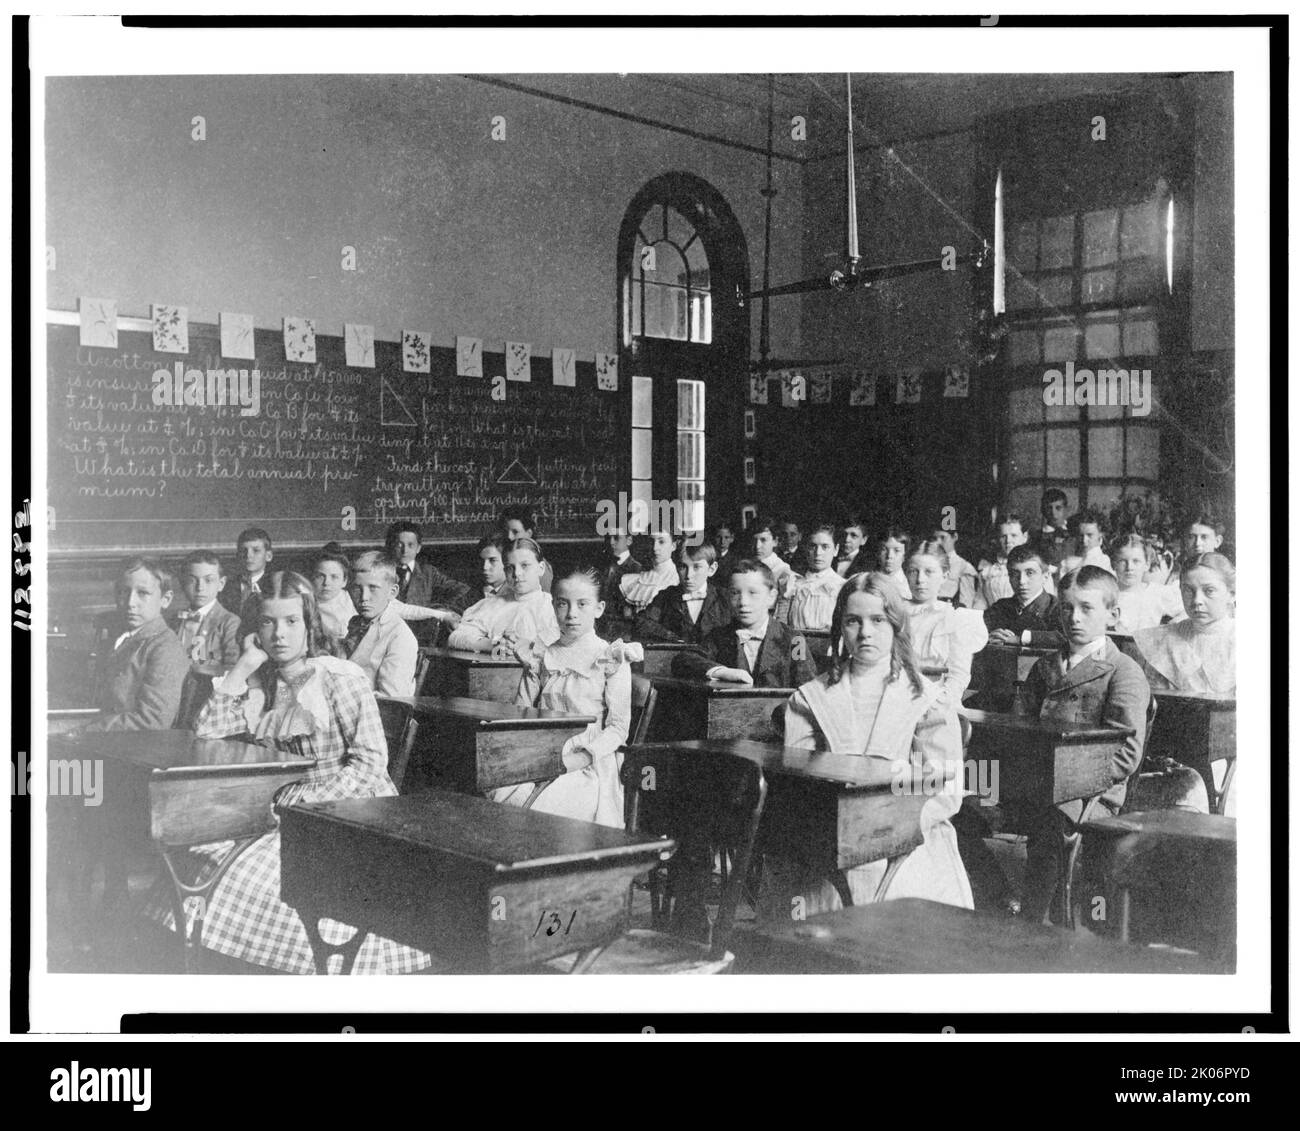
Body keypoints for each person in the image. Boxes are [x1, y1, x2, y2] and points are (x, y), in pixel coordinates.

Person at [149, 571, 431, 973]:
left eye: (291, 621)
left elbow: (370, 766)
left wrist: (303, 809)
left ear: (309, 623)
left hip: (347, 812)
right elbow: (206, 737)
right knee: (205, 862)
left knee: (268, 887)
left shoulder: (338, 677)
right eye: (268, 622)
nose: (279, 634)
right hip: (277, 809)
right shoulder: (260, 683)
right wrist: (244, 665)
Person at [761, 572, 974, 916]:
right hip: (826, 836)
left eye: (878, 620)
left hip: (906, 838)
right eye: (853, 621)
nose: (865, 632)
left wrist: (885, 828)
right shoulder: (810, 698)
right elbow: (798, 781)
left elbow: (945, 790)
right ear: (840, 627)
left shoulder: (925, 700)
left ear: (896, 626)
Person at [1015, 566, 1151, 923]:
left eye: (1087, 608)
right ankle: (998, 904)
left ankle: (1032, 924)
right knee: (964, 810)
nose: (1074, 618)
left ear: (1113, 614)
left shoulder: (1123, 671)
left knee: (1049, 822)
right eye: (1066, 608)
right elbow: (1019, 730)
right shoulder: (1044, 668)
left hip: (1091, 795)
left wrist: (1067, 782)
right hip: (1035, 782)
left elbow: (1126, 754)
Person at [493, 568, 642, 828]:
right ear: (553, 605)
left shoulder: (610, 656)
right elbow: (520, 713)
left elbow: (618, 729)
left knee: (548, 805)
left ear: (599, 608)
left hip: (590, 762)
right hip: (542, 754)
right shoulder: (540, 655)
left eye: (582, 604)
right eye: (563, 604)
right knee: (500, 790)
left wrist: (580, 758)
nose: (572, 614)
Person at [671, 559, 816, 688]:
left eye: (753, 593)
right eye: (735, 593)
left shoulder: (794, 640)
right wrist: (723, 672)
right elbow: (683, 660)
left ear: (771, 598)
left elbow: (808, 688)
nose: (743, 602)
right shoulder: (718, 636)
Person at [86, 557, 187, 731]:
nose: (131, 602)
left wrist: (85, 730)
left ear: (166, 599)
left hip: (132, 745)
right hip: (106, 731)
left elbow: (153, 721)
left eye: (143, 593)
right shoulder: (122, 635)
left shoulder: (165, 648)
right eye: (124, 592)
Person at [1133, 553, 1235, 696]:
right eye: (1188, 590)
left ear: (1232, 594)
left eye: (1209, 591)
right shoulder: (1164, 639)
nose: (1197, 600)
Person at [446, 537, 559, 657]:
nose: (517, 574)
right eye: (510, 568)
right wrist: (493, 645)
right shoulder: (492, 604)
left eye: (525, 565)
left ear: (540, 569)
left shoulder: (553, 607)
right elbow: (455, 638)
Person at [904, 546, 988, 707]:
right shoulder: (894, 613)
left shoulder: (956, 618)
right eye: (913, 571)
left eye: (929, 572)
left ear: (945, 576)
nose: (920, 579)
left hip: (938, 703)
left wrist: (936, 704)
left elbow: (958, 676)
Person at [341, 551, 418, 697]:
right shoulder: (357, 623)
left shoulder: (400, 637)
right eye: (357, 588)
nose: (364, 597)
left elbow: (392, 700)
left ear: (392, 592)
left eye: (373, 588)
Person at [384, 521, 473, 635]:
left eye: (410, 545)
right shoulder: (381, 571)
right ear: (390, 545)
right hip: (387, 631)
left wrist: (441, 609)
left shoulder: (428, 573)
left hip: (419, 634)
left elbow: (462, 589)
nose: (405, 550)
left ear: (418, 548)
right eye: (399, 545)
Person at [634, 540, 729, 645]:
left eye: (697, 567)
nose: (689, 575)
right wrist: (671, 637)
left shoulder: (724, 598)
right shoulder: (666, 596)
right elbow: (642, 623)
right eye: (683, 567)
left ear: (712, 569)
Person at [984, 543, 1066, 648]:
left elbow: (1066, 637)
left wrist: (1021, 638)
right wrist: (987, 637)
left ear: (1045, 576)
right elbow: (974, 629)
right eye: (1015, 574)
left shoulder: (1056, 608)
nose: (1022, 581)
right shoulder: (1001, 607)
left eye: (1030, 573)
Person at [173, 551, 242, 667]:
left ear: (221, 584)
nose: (200, 588)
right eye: (192, 580)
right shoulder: (173, 620)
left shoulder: (229, 622)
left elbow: (232, 666)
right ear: (182, 583)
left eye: (208, 580)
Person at [1110, 534, 1184, 632]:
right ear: (1113, 564)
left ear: (1147, 564)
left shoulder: (1155, 592)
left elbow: (1187, 610)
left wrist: (1176, 622)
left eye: (1136, 561)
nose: (1129, 568)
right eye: (1122, 561)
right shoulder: (1106, 593)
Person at [782, 523, 845, 633]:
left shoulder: (841, 586)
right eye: (812, 546)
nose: (818, 553)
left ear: (836, 549)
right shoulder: (793, 583)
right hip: (796, 646)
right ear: (806, 548)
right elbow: (781, 625)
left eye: (825, 547)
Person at [218, 527, 274, 626]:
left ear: (268, 556)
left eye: (256, 550)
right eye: (244, 551)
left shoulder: (274, 586)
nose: (248, 556)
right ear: (237, 556)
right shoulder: (224, 587)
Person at [972, 514, 1029, 610]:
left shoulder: (1034, 567)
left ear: (1025, 537)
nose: (1008, 541)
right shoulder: (988, 570)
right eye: (1003, 536)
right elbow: (980, 603)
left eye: (1014, 535)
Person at [617, 529, 680, 616]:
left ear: (673, 546)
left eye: (661, 542)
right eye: (651, 541)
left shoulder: (676, 579)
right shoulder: (636, 580)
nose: (655, 548)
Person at [498, 506, 555, 592]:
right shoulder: (502, 560)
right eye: (506, 532)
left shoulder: (539, 566)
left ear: (529, 533)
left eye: (515, 532)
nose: (509, 537)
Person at [850, 525, 911, 600]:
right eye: (884, 549)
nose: (889, 556)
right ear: (878, 552)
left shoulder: (911, 587)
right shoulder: (861, 579)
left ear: (904, 555)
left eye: (897, 550)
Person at [311, 548, 357, 643]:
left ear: (344, 581)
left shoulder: (353, 599)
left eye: (334, 577)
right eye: (320, 576)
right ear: (312, 578)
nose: (326, 583)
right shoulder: (308, 604)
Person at [929, 524, 979, 608]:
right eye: (935, 538)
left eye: (943, 538)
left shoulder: (963, 566)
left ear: (955, 537)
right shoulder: (927, 561)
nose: (938, 542)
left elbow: (967, 602)